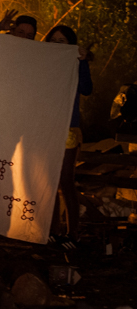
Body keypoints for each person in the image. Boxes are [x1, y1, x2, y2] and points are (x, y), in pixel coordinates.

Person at [45, 25, 92, 248]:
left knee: (65, 180)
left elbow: (87, 88)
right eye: (53, 40)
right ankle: (53, 230)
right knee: (49, 181)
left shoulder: (75, 63)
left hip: (69, 128)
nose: (56, 45)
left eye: (61, 41)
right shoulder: (41, 65)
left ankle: (73, 233)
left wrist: (82, 60)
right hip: (45, 127)